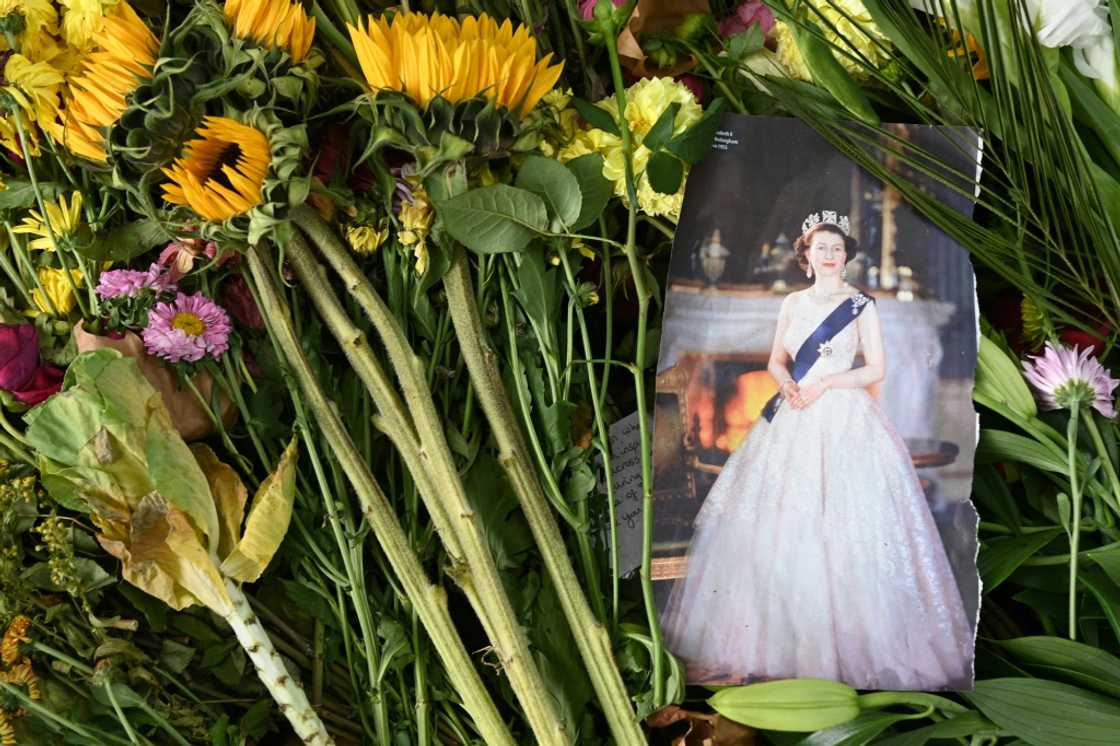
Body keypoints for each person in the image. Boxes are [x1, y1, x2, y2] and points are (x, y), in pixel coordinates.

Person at [659, 211, 974, 690]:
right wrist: (786, 385)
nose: (828, 255)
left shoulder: (862, 305)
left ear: (845, 254)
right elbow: (775, 360)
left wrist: (825, 382)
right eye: (819, 247)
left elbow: (876, 370)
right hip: (794, 410)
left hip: (843, 411)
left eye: (836, 247)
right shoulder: (792, 303)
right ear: (805, 256)